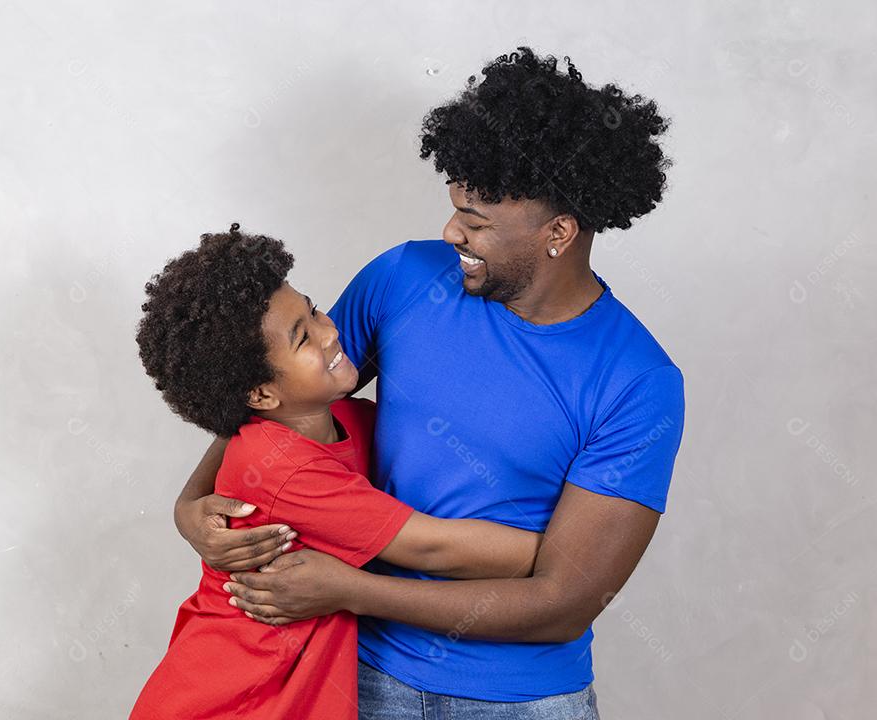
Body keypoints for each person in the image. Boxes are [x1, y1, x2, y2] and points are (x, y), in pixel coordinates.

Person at [174, 48, 686, 719]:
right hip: (347, 675)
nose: (451, 231)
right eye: (454, 209)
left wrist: (352, 590)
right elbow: (270, 396)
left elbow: (563, 603)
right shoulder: (406, 279)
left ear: (559, 232)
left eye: (476, 222)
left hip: (518, 702)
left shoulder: (638, 382)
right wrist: (190, 507)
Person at [128, 223, 543, 719]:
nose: (330, 331)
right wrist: (570, 558)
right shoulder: (284, 469)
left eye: (315, 308)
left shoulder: (351, 420)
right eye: (303, 337)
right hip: (228, 700)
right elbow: (432, 546)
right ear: (260, 395)